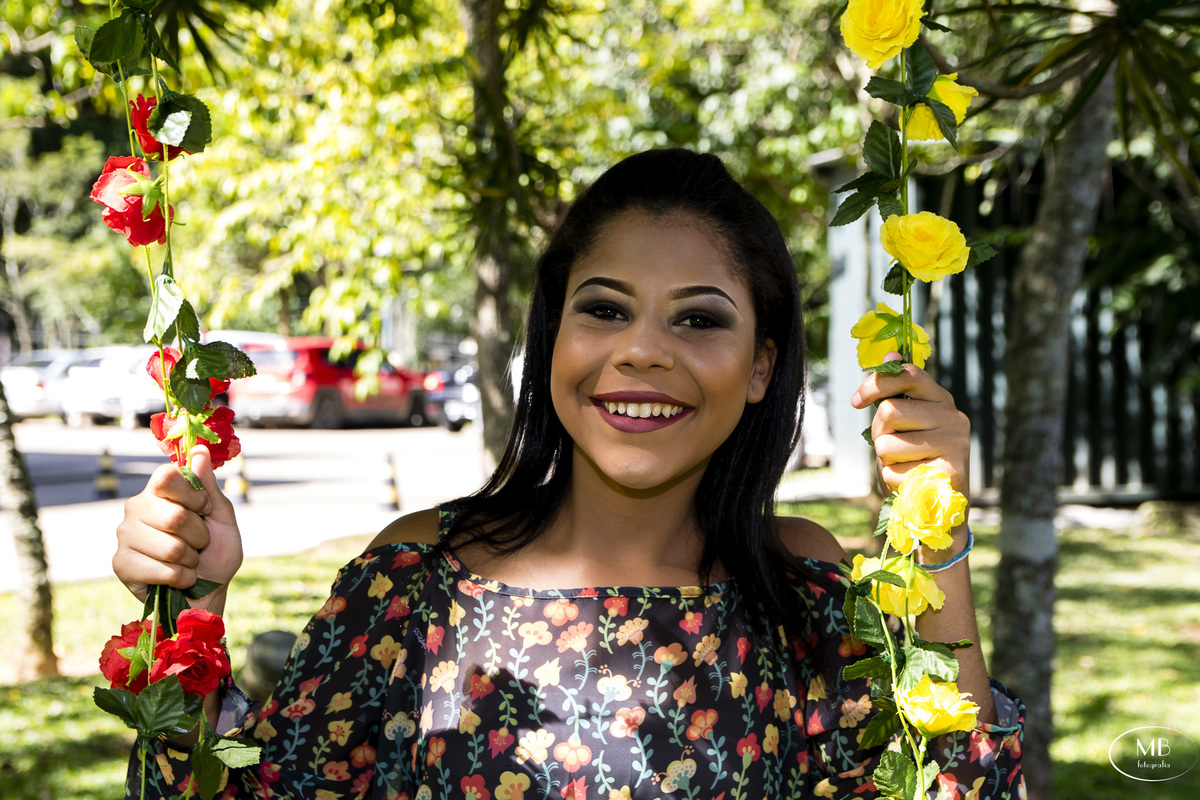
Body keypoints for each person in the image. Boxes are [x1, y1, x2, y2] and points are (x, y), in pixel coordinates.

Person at [114, 149, 1024, 799]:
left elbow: (953, 786)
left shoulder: (805, 588)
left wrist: (936, 539)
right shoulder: (416, 579)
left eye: (698, 319)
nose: (641, 351)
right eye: (605, 310)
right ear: (554, 339)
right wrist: (193, 604)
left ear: (761, 366)